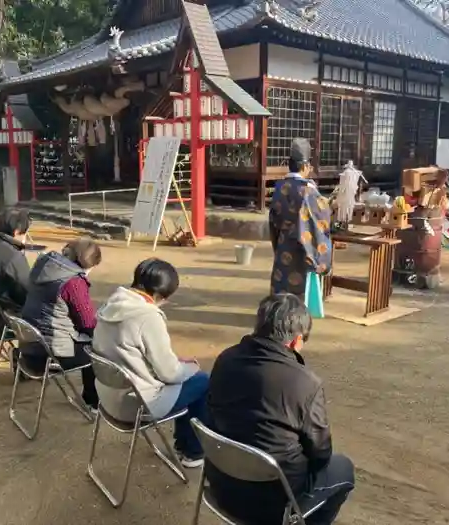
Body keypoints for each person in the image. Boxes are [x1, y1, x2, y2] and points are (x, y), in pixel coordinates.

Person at [206, 293, 355, 525]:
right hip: (272, 503)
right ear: (296, 341)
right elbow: (320, 454)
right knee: (342, 467)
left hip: (221, 484)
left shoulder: (225, 359)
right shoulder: (305, 383)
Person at [93, 258, 208, 468]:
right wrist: (190, 367)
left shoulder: (112, 303)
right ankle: (191, 451)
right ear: (159, 295)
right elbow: (170, 374)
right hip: (137, 405)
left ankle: (186, 445)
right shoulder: (147, 316)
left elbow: (130, 353)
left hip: (107, 396)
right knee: (202, 380)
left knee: (187, 375)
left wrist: (176, 364)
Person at [20, 237, 102, 409]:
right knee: (97, 350)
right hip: (49, 352)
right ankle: (92, 401)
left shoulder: (43, 264)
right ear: (89, 264)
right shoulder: (74, 283)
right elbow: (88, 325)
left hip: (28, 343)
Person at [269, 139, 332, 297]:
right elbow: (321, 218)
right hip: (302, 246)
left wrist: (277, 242)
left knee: (281, 282)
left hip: (284, 243)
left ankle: (277, 312)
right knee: (299, 286)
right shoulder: (308, 190)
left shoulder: (279, 187)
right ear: (304, 166)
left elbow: (273, 220)